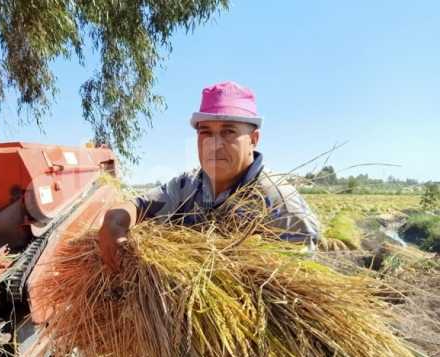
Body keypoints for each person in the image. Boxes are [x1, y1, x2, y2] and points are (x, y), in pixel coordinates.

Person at [98, 81, 321, 271]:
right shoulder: (188, 186)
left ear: (254, 139)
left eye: (228, 132)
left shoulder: (280, 205)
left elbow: (298, 288)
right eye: (205, 132)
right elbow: (140, 206)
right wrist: (114, 219)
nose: (214, 144)